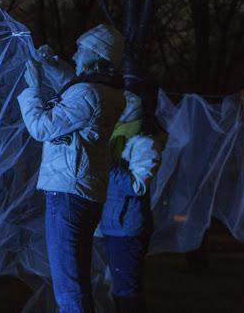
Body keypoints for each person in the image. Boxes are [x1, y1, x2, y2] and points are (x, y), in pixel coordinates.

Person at [17, 24, 126, 313]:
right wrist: (52, 64)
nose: (75, 54)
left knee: (68, 286)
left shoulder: (90, 94)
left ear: (95, 55)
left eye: (81, 49)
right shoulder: (106, 91)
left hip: (67, 194)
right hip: (82, 192)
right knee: (74, 279)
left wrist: (33, 89)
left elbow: (41, 127)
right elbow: (75, 87)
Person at [99, 78, 164, 313]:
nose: (120, 103)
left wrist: (106, 162)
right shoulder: (118, 134)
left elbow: (138, 186)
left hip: (126, 227)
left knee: (126, 291)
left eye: (127, 99)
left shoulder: (144, 142)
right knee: (119, 289)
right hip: (114, 224)